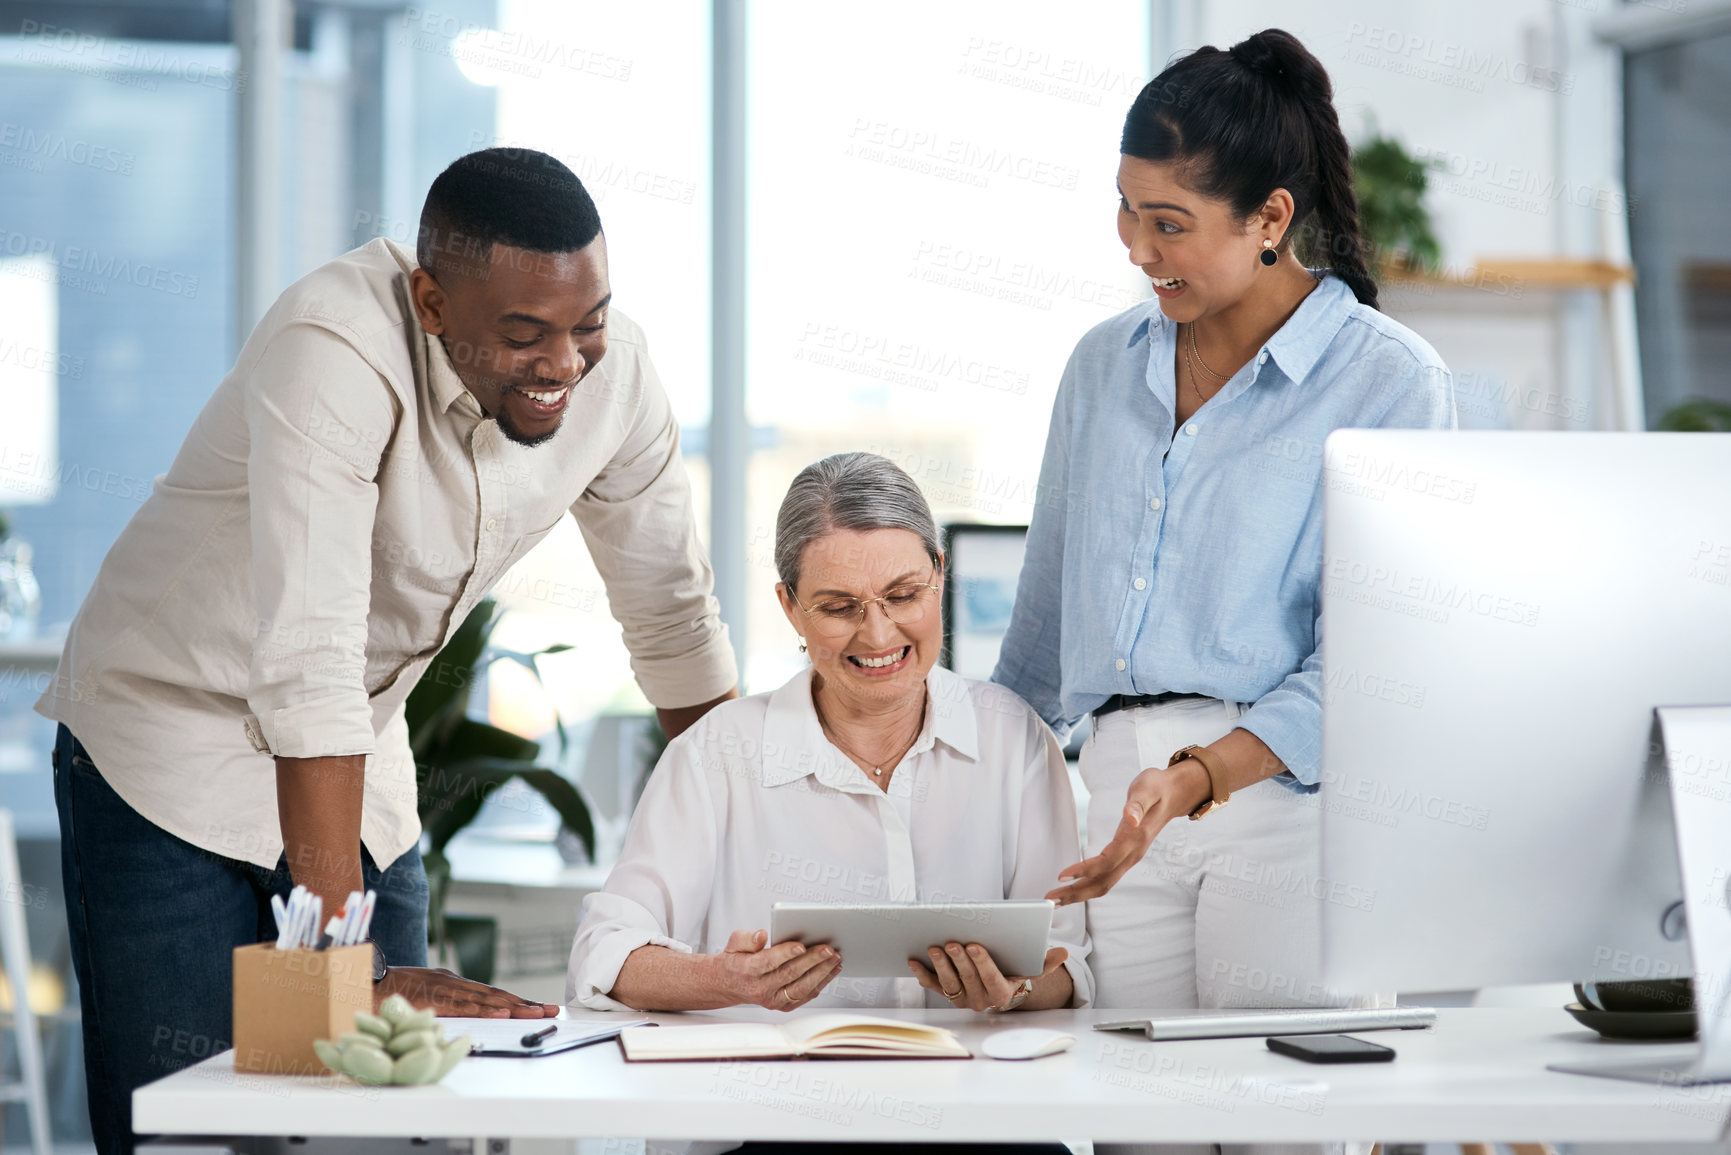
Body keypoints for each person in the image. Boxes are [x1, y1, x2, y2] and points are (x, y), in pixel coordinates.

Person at [37, 147, 738, 1155]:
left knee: (388, 1119)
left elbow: (674, 622)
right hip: (166, 749)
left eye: (587, 322)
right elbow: (310, 652)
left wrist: (747, 857)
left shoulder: (613, 374)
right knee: (194, 1123)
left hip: (353, 754)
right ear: (432, 301)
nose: (566, 366)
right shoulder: (335, 344)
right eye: (524, 335)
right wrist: (341, 960)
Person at [993, 28, 1455, 1155]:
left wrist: (1201, 776)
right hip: (1116, 813)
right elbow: (1044, 626)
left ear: (1270, 219)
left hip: (1287, 810)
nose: (1137, 249)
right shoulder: (1103, 366)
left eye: (1170, 225)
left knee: (1286, 1134)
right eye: (1126, 209)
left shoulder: (1389, 382)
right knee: (1131, 1130)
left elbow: (1376, 667)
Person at [569, 451, 1091, 1026]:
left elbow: (1070, 968)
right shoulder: (715, 752)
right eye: (839, 606)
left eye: (904, 595)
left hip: (966, 1094)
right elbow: (605, 952)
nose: (877, 632)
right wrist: (721, 979)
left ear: (939, 576)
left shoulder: (1015, 740)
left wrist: (1011, 990)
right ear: (790, 607)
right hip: (767, 1099)